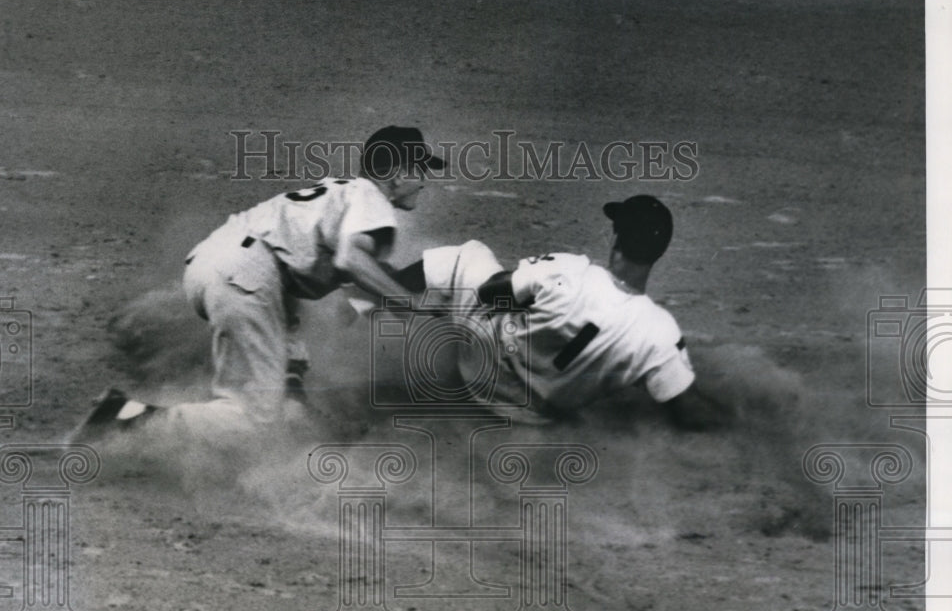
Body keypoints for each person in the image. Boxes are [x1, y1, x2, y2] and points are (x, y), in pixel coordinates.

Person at [71, 125, 446, 442]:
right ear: (397, 174)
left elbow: (337, 290)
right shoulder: (372, 201)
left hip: (216, 266)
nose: (424, 182)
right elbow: (353, 260)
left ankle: (288, 389)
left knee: (291, 326)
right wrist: (411, 302)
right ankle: (125, 417)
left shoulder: (338, 191)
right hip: (247, 275)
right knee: (255, 420)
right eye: (421, 171)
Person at [388, 194, 725, 428]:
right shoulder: (658, 331)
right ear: (659, 253)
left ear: (616, 239)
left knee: (468, 255)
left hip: (482, 368)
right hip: (535, 415)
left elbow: (491, 292)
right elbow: (689, 411)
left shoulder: (570, 272)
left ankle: (365, 302)